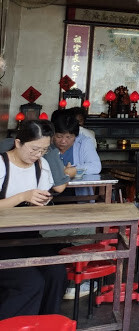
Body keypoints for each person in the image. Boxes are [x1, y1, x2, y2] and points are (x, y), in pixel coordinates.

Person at [0, 120, 68, 319]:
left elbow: (39, 200)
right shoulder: (2, 164)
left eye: (44, 150)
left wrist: (40, 202)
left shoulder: (41, 165)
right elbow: (24, 196)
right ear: (19, 143)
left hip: (27, 236)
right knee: (30, 283)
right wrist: (22, 197)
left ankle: (45, 321)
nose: (38, 155)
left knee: (56, 273)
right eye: (34, 149)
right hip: (1, 241)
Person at [50, 109, 101, 179]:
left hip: (78, 188)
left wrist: (73, 170)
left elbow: (95, 167)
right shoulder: (47, 143)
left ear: (76, 136)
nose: (63, 141)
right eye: (59, 136)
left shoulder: (84, 142)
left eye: (68, 137)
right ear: (53, 135)